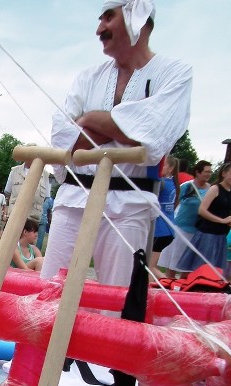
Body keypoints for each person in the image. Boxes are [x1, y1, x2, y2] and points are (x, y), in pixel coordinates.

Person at [41, 0, 192, 288]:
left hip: (130, 204)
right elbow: (65, 140)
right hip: (74, 198)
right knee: (50, 292)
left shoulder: (174, 74)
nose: (100, 28)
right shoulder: (87, 77)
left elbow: (153, 136)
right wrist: (122, 126)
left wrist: (88, 119)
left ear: (137, 16)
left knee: (117, 298)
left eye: (109, 17)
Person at [177, 161, 231, 272]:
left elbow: (225, 211)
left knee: (215, 270)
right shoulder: (215, 189)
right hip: (208, 234)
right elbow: (202, 210)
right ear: (224, 174)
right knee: (203, 268)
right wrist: (221, 221)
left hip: (221, 235)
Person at [158, 160, 212, 277]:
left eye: (210, 172)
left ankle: (183, 288)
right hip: (181, 228)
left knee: (188, 266)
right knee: (174, 263)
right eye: (206, 172)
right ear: (198, 172)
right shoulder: (186, 187)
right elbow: (174, 202)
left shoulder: (211, 190)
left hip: (197, 231)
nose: (209, 174)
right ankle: (169, 285)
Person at [148, 155, 178, 278]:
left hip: (161, 230)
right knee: (150, 265)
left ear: (171, 168)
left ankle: (169, 285)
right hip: (167, 230)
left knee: (150, 267)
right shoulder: (172, 183)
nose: (159, 167)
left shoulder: (162, 183)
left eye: (163, 164)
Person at [4, 159, 49, 226]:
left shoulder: (45, 174)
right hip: (14, 218)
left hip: (33, 219)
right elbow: (8, 194)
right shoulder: (14, 171)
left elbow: (45, 197)